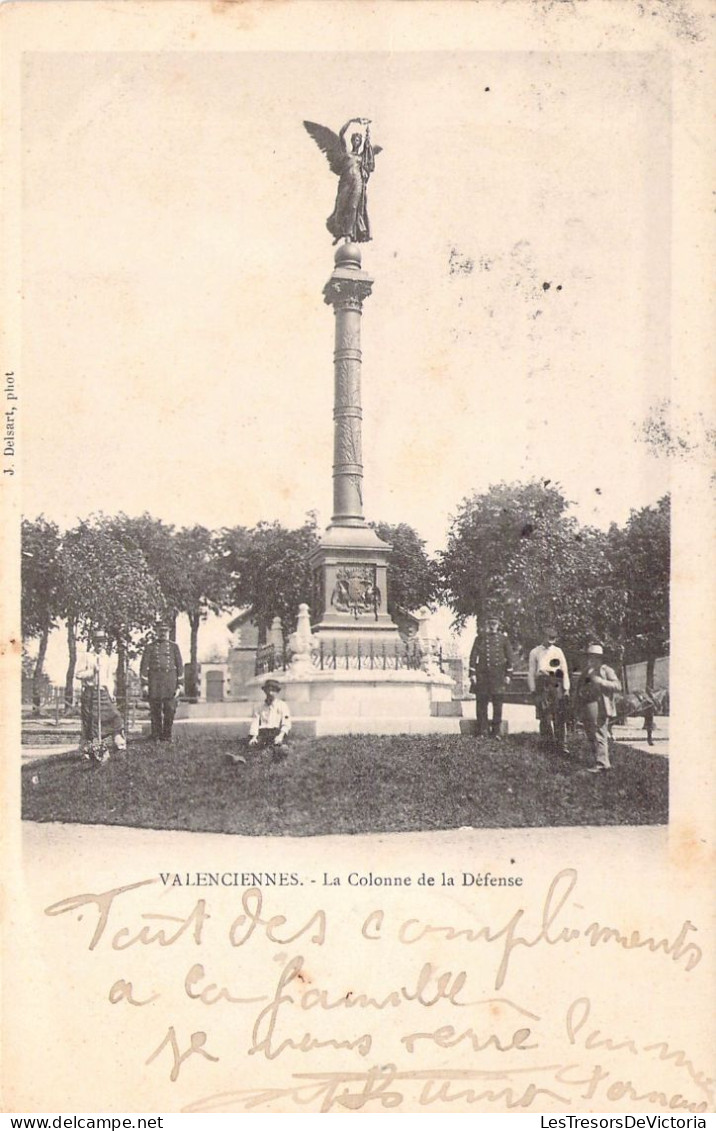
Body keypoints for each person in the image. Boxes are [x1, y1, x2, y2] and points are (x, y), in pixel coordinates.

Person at [76, 631, 126, 757]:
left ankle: (119, 742)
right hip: (90, 692)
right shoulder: (87, 656)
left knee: (115, 716)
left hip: (103, 693)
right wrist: (92, 671)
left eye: (102, 641)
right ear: (93, 642)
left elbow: (109, 679)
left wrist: (111, 693)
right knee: (89, 722)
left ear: (105, 644)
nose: (100, 644)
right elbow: (78, 674)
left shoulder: (107, 659)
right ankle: (87, 750)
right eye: (97, 641)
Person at [573, 642, 621, 773]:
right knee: (590, 733)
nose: (592, 659)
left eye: (595, 657)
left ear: (600, 658)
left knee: (600, 733)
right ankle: (597, 760)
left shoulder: (606, 670)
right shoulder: (587, 671)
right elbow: (580, 687)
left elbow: (618, 686)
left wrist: (601, 682)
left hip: (601, 705)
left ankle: (602, 764)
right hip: (588, 704)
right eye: (590, 657)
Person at [468, 615, 514, 739]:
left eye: (495, 623)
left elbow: (510, 658)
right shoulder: (480, 638)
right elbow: (473, 656)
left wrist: (508, 675)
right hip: (482, 676)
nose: (493, 626)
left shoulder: (504, 639)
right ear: (487, 625)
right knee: (481, 703)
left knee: (497, 704)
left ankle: (496, 731)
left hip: (498, 676)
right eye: (490, 623)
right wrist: (472, 673)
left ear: (498, 625)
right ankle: (483, 731)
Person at [528, 626, 571, 755]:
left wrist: (566, 688)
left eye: (553, 638)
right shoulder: (535, 652)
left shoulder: (558, 651)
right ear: (543, 636)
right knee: (545, 715)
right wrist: (533, 690)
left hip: (556, 685)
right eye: (549, 637)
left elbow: (564, 670)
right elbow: (531, 672)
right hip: (542, 685)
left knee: (559, 715)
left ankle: (561, 744)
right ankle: (548, 744)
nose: (551, 641)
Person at [229, 678, 292, 765]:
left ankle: (250, 760)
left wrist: (280, 736)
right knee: (247, 743)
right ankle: (237, 756)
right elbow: (255, 722)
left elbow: (286, 723)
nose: (270, 693)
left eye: (273, 690)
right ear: (265, 691)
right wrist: (254, 736)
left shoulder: (282, 705)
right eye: (268, 690)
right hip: (262, 732)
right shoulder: (259, 707)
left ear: (277, 692)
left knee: (274, 748)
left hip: (276, 732)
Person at [140, 621, 184, 742]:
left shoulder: (174, 647)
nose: (163, 633)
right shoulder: (150, 647)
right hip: (155, 682)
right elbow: (144, 666)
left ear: (169, 632)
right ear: (156, 631)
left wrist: (180, 684)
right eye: (160, 630)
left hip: (170, 682)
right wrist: (145, 685)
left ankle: (167, 736)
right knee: (155, 710)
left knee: (170, 710)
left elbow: (180, 666)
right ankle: (156, 736)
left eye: (165, 631)